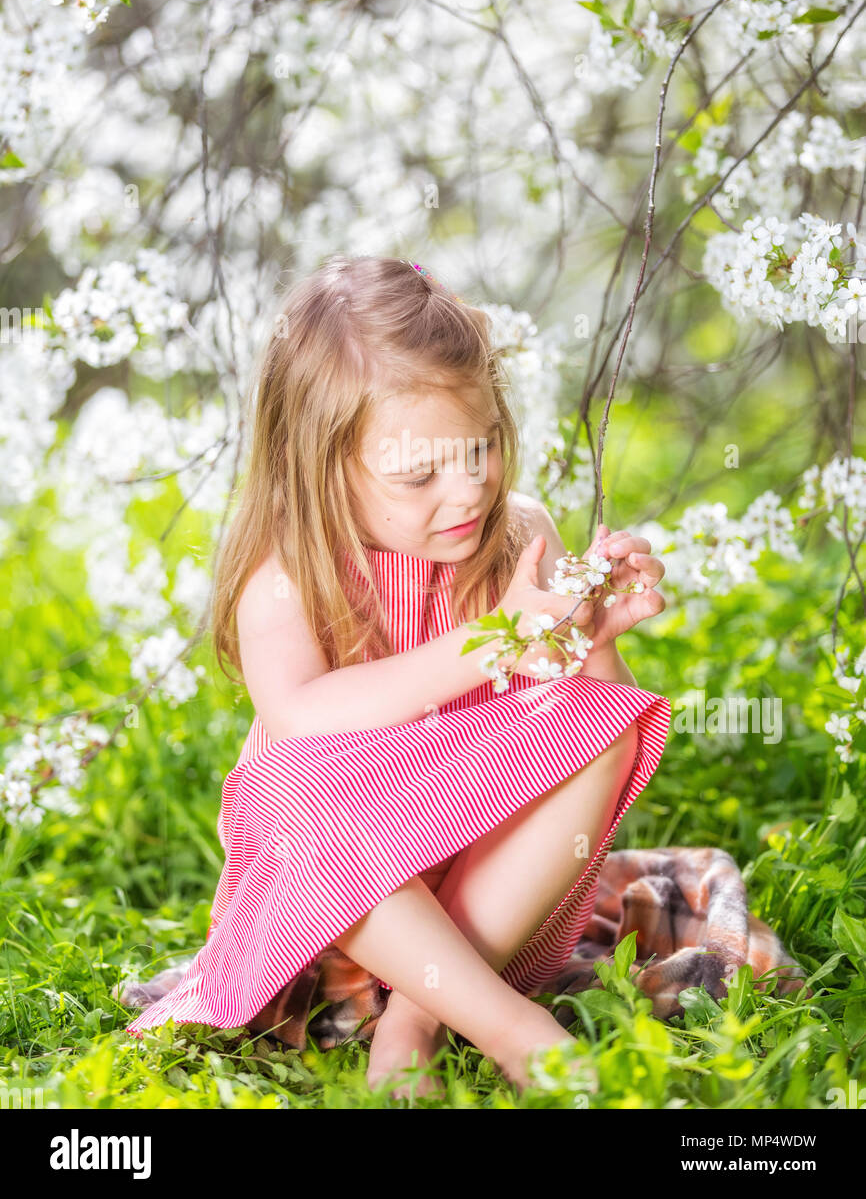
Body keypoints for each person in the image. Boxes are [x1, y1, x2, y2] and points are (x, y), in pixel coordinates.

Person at [122, 253, 671, 1099]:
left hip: (489, 903)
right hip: (342, 910)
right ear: (320, 466)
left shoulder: (517, 533)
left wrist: (594, 636)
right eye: (419, 474)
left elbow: (580, 707)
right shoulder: (288, 572)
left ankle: (424, 1012)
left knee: (612, 720)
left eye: (481, 448)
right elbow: (300, 717)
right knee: (286, 787)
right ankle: (514, 1030)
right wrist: (491, 643)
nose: (468, 490)